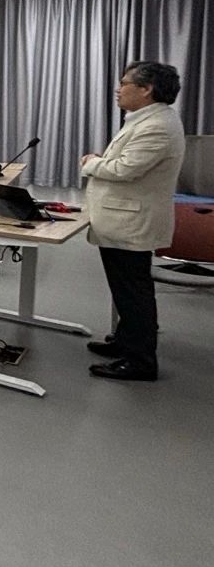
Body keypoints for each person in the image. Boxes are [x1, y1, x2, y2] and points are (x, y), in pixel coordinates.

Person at [81, 62, 186, 381]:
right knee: (125, 288)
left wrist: (92, 163)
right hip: (124, 218)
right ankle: (126, 341)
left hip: (131, 221)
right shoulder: (147, 118)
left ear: (146, 89)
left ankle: (140, 361)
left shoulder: (157, 126)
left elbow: (124, 169)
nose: (118, 89)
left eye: (124, 83)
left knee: (133, 292)